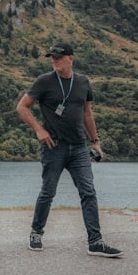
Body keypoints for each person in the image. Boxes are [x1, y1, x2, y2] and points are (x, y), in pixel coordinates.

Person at [16, 42, 123, 258]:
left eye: (58, 57)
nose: (54, 60)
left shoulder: (83, 82)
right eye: (52, 57)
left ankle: (95, 242)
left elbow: (87, 114)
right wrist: (39, 130)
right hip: (53, 147)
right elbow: (22, 107)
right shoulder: (44, 81)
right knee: (48, 192)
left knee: (88, 192)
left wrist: (95, 141)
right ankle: (36, 234)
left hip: (79, 148)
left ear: (70, 59)